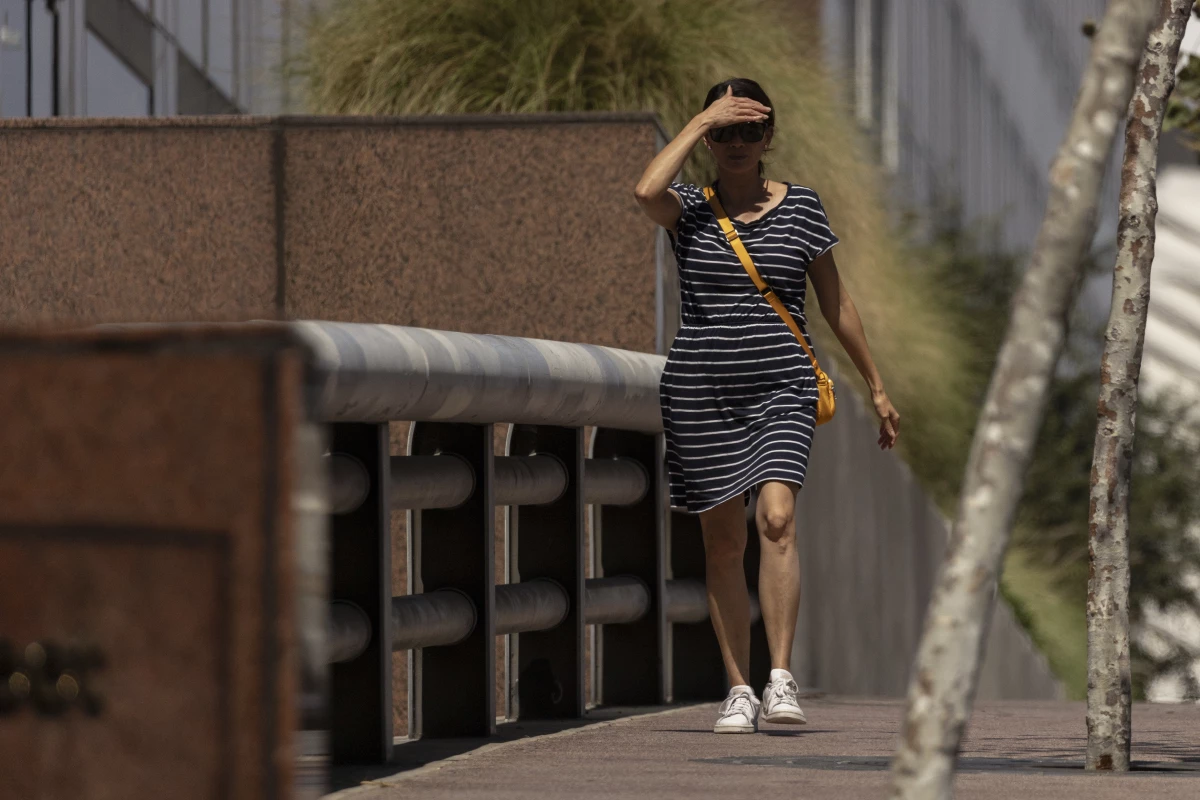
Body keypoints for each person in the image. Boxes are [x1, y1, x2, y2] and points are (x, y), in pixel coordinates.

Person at [634, 78, 900, 733]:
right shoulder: (690, 206)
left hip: (784, 383)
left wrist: (877, 384)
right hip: (702, 387)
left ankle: (780, 678)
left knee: (776, 520)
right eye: (725, 132)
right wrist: (699, 121)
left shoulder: (803, 207)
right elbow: (644, 193)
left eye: (749, 130)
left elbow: (836, 302)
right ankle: (738, 688)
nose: (736, 144)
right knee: (722, 542)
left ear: (769, 137)